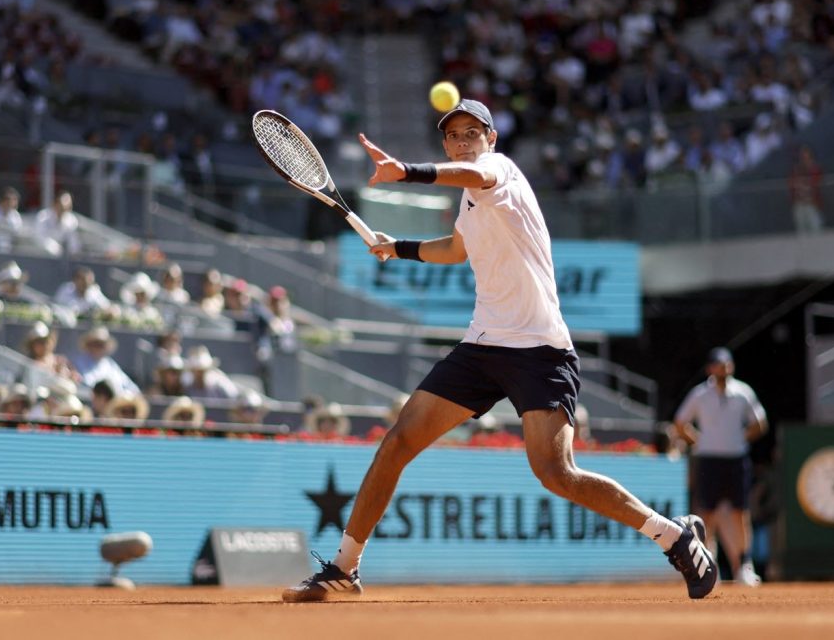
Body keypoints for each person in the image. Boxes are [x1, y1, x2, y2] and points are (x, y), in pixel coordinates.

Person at [283, 99, 717, 603]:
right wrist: (397, 246)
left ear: (490, 138)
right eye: (453, 135)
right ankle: (344, 567)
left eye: (472, 132)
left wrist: (408, 172)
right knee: (398, 441)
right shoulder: (470, 200)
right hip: (483, 346)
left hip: (540, 350)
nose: (462, 141)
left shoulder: (498, 170)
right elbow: (456, 249)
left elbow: (472, 173)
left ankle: (673, 536)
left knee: (557, 474)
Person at [673, 347, 768, 587]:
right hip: (709, 460)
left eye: (726, 364)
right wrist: (699, 441)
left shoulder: (743, 392)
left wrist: (739, 439)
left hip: (736, 460)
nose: (723, 369)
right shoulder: (699, 394)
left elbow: (760, 423)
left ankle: (744, 567)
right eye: (718, 364)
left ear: (731, 367)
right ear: (710, 368)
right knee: (706, 514)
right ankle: (708, 567)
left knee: (740, 513)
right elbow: (680, 423)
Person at [71, 326, 140, 395]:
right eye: (96, 344)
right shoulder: (79, 363)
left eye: (102, 345)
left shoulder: (109, 363)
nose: (99, 348)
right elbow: (85, 385)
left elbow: (128, 384)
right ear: (89, 345)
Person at [0, 187, 24, 252]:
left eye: (15, 200)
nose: (13, 203)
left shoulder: (16, 216)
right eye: (9, 199)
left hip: (10, 251)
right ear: (3, 200)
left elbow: (17, 234)